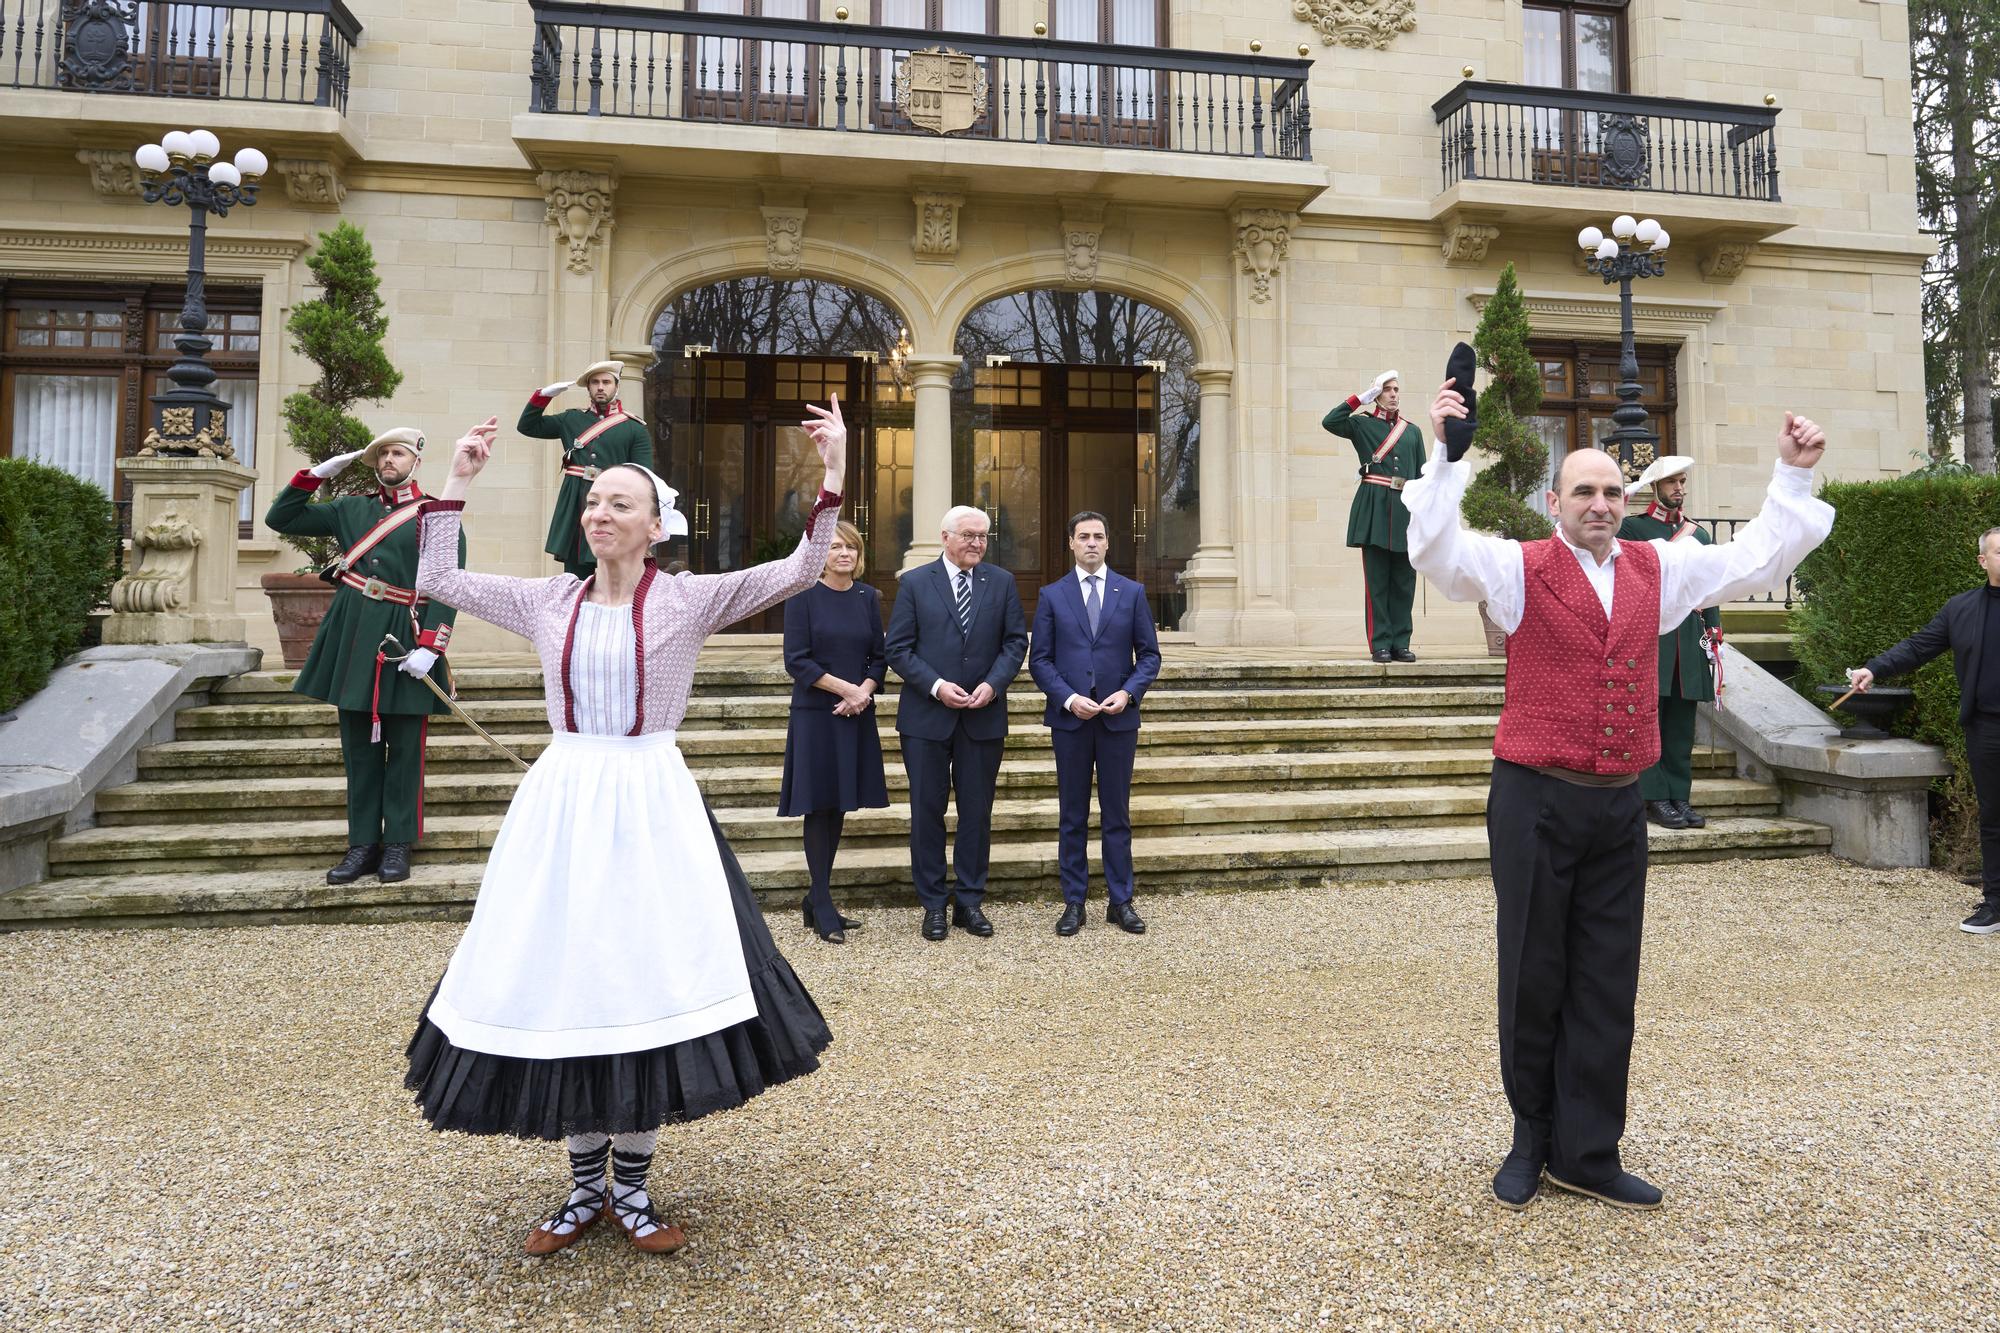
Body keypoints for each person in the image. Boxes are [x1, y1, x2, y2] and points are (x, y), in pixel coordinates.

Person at [403, 396, 846, 1257]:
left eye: (620, 504)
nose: (599, 513)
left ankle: (634, 1191)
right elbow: (441, 581)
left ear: (655, 527)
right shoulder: (546, 601)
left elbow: (798, 569)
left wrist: (830, 476)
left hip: (650, 800)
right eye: (594, 501)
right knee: (568, 976)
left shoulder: (688, 600)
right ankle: (580, 1189)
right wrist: (455, 481)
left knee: (647, 975)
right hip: (565, 798)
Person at [1404, 382, 1833, 1213]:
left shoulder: (1658, 566)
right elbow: (1435, 552)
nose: (1600, 504)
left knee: (1606, 976)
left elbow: (1751, 560)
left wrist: (1791, 477)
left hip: (1616, 802)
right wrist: (1445, 454)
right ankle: (1532, 1134)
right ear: (1554, 501)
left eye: (1612, 492)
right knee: (1535, 970)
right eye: (1584, 491)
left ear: (1626, 501)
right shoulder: (1515, 567)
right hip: (1533, 795)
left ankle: (1588, 1150)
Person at [265, 427, 464, 886]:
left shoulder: (434, 515)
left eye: (398, 453)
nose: (388, 460)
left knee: (407, 750)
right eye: (382, 455)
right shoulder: (350, 508)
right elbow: (282, 520)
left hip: (403, 634)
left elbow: (448, 583)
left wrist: (431, 646)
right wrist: (312, 477)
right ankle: (361, 846)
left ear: (415, 460)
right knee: (359, 748)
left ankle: (397, 844)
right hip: (352, 634)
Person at [1844, 526, 2000, 934]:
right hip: (1987, 729)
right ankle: (1996, 902)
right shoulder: (1962, 608)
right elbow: (1918, 646)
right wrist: (1874, 668)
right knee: (1995, 816)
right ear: (1983, 561)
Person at [885, 505, 1029, 941]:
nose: (977, 543)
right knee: (926, 813)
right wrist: (936, 686)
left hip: (983, 717)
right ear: (945, 536)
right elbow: (899, 649)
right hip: (927, 719)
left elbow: (1014, 642)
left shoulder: (1001, 582)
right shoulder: (914, 583)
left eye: (983, 536)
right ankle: (932, 904)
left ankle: (969, 901)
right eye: (968, 535)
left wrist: (994, 685)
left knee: (976, 815)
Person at [1028, 510, 1162, 936]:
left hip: (1118, 721)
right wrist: (1067, 699)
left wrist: (1128, 692)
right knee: (1072, 813)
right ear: (1070, 542)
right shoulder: (1052, 595)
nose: (1090, 542)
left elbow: (1150, 656)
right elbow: (1040, 660)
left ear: (1108, 543)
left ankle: (1121, 901)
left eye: (1098, 536)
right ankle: (1074, 901)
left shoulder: (1132, 592)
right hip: (1070, 722)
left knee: (1116, 814)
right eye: (1083, 536)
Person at [778, 520, 889, 943]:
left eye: (852, 548)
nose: (844, 554)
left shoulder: (867, 598)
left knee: (840, 803)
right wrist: (845, 689)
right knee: (818, 804)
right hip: (816, 714)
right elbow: (797, 660)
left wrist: (862, 692)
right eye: (835, 547)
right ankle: (822, 901)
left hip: (854, 713)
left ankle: (816, 896)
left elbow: (878, 657)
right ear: (820, 555)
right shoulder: (802, 597)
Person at [1618, 456, 1724, 829]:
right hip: (1652, 637)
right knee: (1650, 722)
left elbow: (1709, 588)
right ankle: (1654, 797)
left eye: (1682, 482)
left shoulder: (1699, 535)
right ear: (1655, 488)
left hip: (1690, 639)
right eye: (1672, 483)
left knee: (1681, 726)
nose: (1679, 488)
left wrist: (1715, 635)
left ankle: (1680, 796)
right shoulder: (1631, 529)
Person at [1323, 369, 1427, 663]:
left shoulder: (1413, 431)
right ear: (1377, 395)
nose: (1394, 394)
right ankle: (1380, 643)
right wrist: (1360, 399)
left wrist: (1425, 518)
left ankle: (1401, 642)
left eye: (1396, 389)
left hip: (1405, 510)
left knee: (1405, 583)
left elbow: (1421, 478)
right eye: (1387, 389)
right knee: (1378, 583)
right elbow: (1330, 422)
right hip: (1374, 510)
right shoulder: (1361, 426)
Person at [519, 360, 655, 578]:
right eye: (595, 382)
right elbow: (527, 426)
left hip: (614, 502)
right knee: (576, 573)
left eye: (606, 382)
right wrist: (543, 396)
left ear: (616, 386)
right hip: (576, 502)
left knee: (614, 570)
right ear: (588, 388)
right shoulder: (571, 419)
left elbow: (645, 477)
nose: (600, 387)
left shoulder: (633, 428)